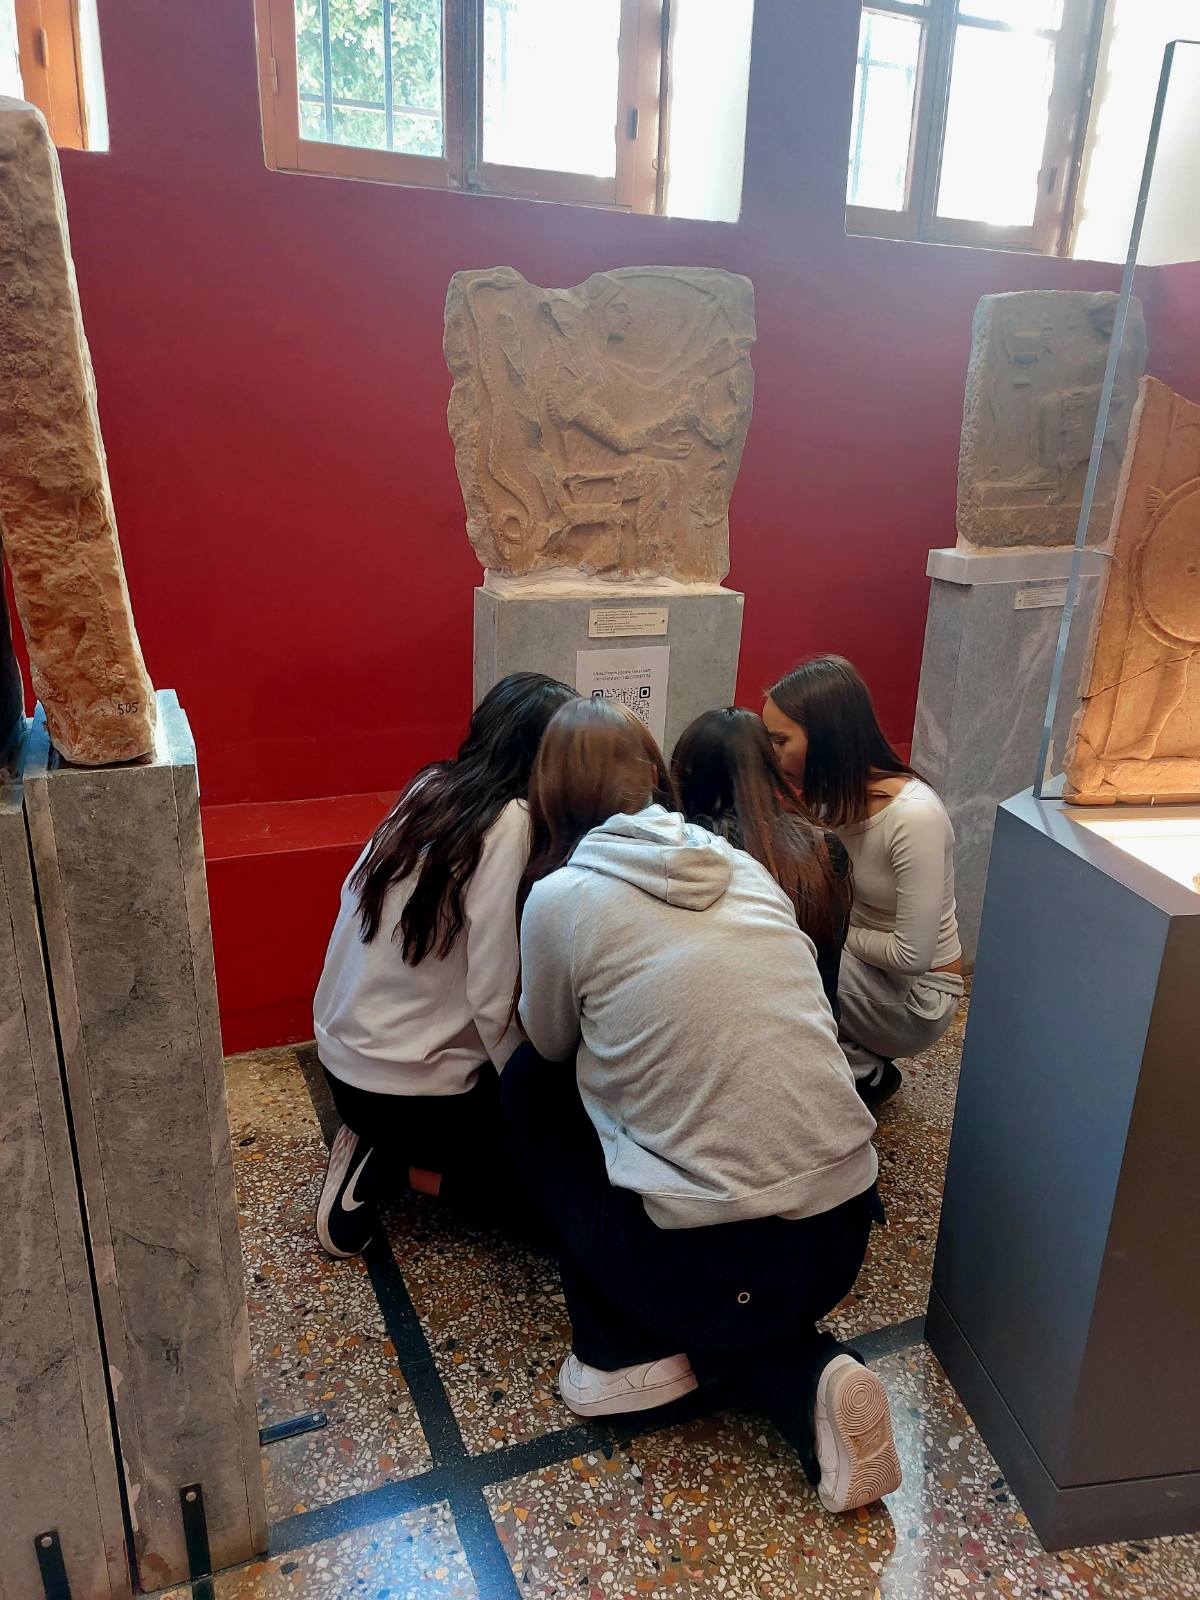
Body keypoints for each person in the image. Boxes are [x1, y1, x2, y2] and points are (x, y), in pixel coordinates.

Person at [503, 697, 901, 1515]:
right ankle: (814, 1375)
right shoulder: (742, 867)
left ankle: (620, 1348)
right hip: (842, 1235)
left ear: (548, 796)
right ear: (656, 777)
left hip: (709, 1263)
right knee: (743, 1287)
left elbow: (547, 1041)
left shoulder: (562, 897)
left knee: (531, 1084)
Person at [312, 671, 576, 1258]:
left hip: (342, 1064)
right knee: (569, 1196)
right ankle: (397, 1169)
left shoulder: (429, 786)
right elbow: (494, 993)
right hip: (409, 1096)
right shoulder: (513, 822)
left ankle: (381, 1144)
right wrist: (528, 1099)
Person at [763, 655, 963, 1108]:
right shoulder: (832, 799)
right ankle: (846, 1054)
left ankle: (860, 1070)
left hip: (919, 997)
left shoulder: (914, 817)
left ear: (827, 738)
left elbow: (912, 956)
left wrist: (823, 932)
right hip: (865, 969)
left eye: (780, 740)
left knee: (776, 954)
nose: (772, 755)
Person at [671, 706, 852, 1013]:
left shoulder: (682, 849)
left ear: (685, 770)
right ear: (769, 768)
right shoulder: (824, 846)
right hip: (812, 1022)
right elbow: (828, 970)